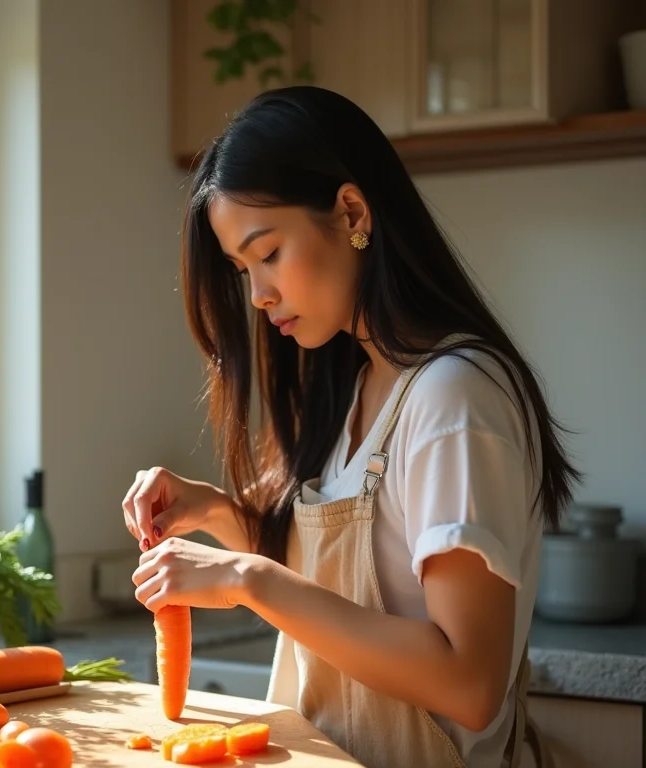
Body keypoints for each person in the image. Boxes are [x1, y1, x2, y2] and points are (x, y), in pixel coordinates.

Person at [123, 86, 578, 768]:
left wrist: (250, 579)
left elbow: (469, 683)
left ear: (352, 212)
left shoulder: (454, 398)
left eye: (269, 252)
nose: (258, 295)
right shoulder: (364, 380)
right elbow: (362, 585)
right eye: (243, 269)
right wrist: (218, 512)